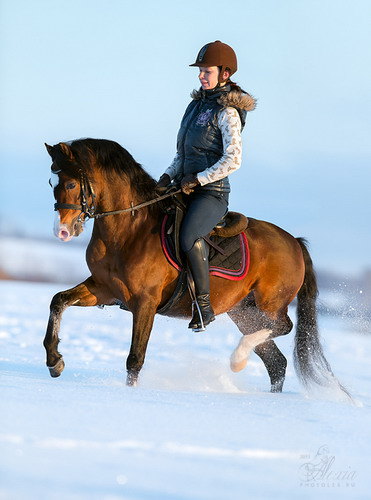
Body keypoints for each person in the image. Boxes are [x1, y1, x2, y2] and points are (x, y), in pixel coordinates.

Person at [157, 40, 256, 331]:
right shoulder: (194, 106)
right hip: (183, 185)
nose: (201, 75)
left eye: (207, 71)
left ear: (225, 74)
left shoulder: (228, 112)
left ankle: (203, 306)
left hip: (211, 194)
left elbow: (233, 159)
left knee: (189, 236)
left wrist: (198, 179)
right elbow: (183, 154)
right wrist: (166, 177)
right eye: (200, 70)